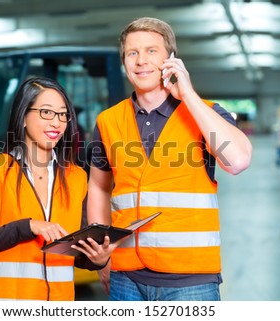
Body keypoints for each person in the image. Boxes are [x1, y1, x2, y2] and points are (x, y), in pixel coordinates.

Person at [87, 17, 253, 301]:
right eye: (132, 53)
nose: (141, 60)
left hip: (191, 280)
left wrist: (188, 95)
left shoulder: (207, 113)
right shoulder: (108, 121)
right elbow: (99, 187)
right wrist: (102, 256)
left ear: (171, 59)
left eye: (151, 50)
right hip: (126, 277)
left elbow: (236, 161)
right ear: (124, 62)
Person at [0, 76, 117, 301]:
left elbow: (76, 252)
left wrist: (98, 258)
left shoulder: (75, 178)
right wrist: (27, 227)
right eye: (46, 112)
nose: (56, 123)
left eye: (63, 114)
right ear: (23, 117)